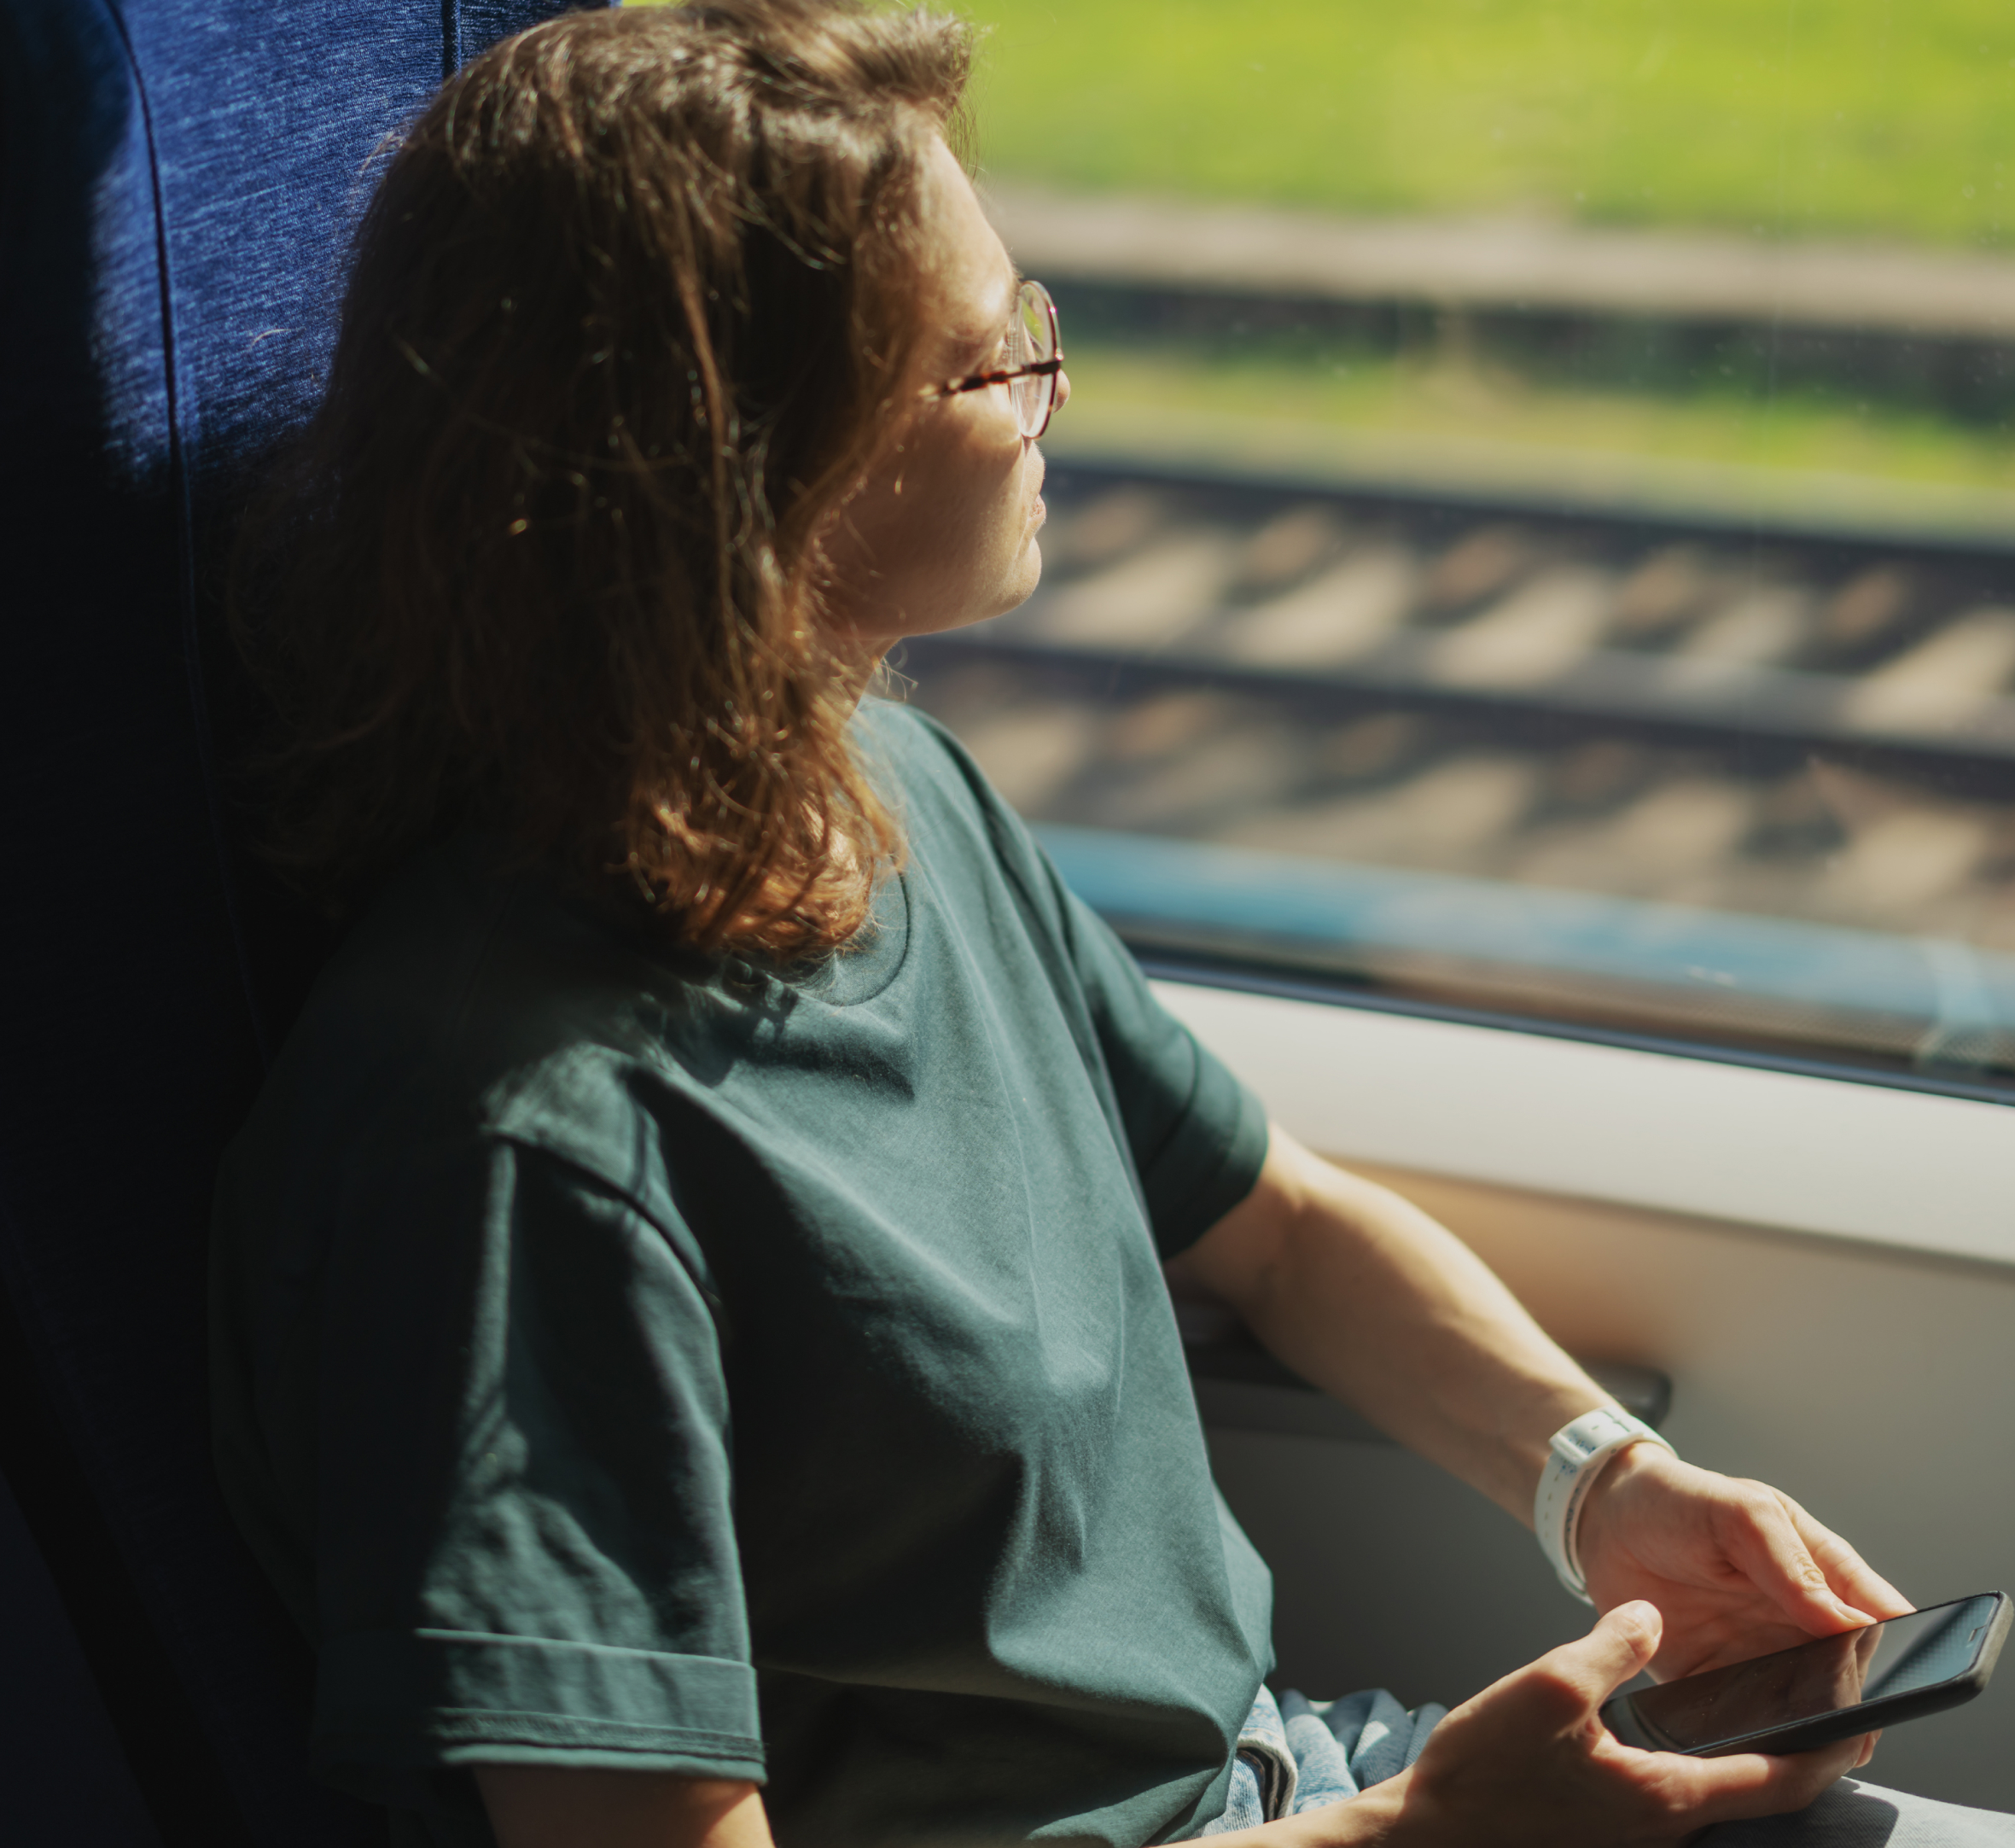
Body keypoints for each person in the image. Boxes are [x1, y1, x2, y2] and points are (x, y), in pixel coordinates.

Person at [209, 4, 2011, 1845]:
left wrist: (1602, 1485)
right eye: (989, 365)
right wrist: (1415, 1837)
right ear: (753, 473)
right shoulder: (523, 1152)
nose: (1048, 395)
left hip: (1283, 1783)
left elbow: (1283, 1232)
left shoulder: (895, 800)